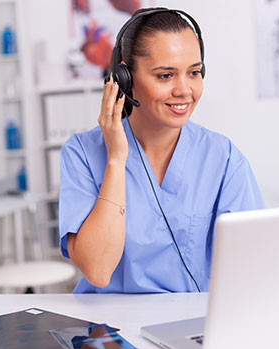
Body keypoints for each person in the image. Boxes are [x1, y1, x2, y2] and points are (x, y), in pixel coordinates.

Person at [59, 7, 264, 293]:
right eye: (165, 75)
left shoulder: (223, 157)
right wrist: (116, 161)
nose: (184, 90)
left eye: (194, 72)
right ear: (125, 78)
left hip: (189, 325)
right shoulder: (82, 153)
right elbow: (97, 270)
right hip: (107, 328)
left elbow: (254, 264)